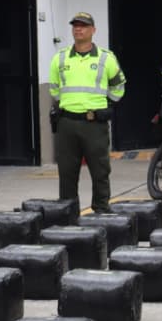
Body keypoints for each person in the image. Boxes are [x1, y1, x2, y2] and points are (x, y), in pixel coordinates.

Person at [49, 12, 126, 213]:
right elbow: (55, 89)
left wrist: (106, 105)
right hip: (67, 123)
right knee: (67, 173)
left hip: (94, 124)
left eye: (83, 25)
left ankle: (101, 213)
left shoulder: (106, 58)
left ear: (93, 30)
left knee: (100, 172)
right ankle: (68, 215)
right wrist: (70, 102)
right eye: (75, 25)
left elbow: (119, 86)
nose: (78, 29)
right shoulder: (60, 58)